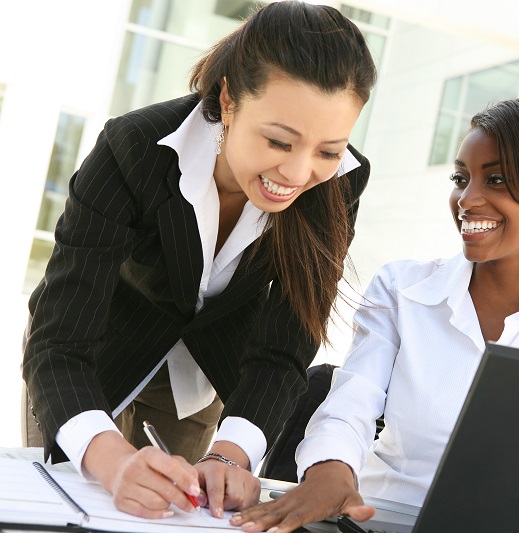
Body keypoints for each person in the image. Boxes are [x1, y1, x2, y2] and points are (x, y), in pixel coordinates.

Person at [21, 0, 376, 521]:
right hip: (94, 356)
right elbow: (59, 339)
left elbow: (286, 344)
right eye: (279, 141)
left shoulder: (342, 181)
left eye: (328, 149)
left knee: (184, 513)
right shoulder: (132, 147)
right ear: (229, 100)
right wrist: (113, 462)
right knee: (75, 508)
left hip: (205, 373)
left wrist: (230, 455)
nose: (300, 173)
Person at [229, 97, 519, 532]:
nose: (468, 199)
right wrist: (330, 470)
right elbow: (350, 406)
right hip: (381, 523)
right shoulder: (403, 290)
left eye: (497, 179)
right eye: (461, 178)